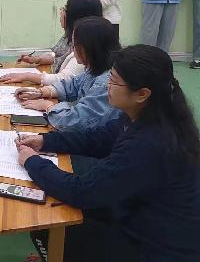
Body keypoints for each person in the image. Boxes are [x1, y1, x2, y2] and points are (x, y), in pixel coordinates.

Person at [16, 45, 200, 262]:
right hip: (140, 215)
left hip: (155, 248)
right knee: (57, 210)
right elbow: (97, 138)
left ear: (142, 94)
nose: (107, 86)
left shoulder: (149, 143)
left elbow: (82, 191)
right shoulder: (147, 115)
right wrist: (45, 140)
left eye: (113, 81)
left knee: (50, 225)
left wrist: (33, 162)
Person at [15, 17, 121, 131]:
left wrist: (48, 106)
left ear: (91, 48)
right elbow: (73, 85)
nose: (72, 49)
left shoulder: (106, 83)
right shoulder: (96, 69)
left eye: (75, 45)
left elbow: (75, 122)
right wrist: (42, 92)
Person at [0, 0, 102, 85]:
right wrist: (37, 59)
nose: (61, 11)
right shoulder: (70, 37)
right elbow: (59, 56)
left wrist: (26, 76)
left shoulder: (83, 48)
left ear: (74, 16)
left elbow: (64, 80)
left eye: (65, 9)